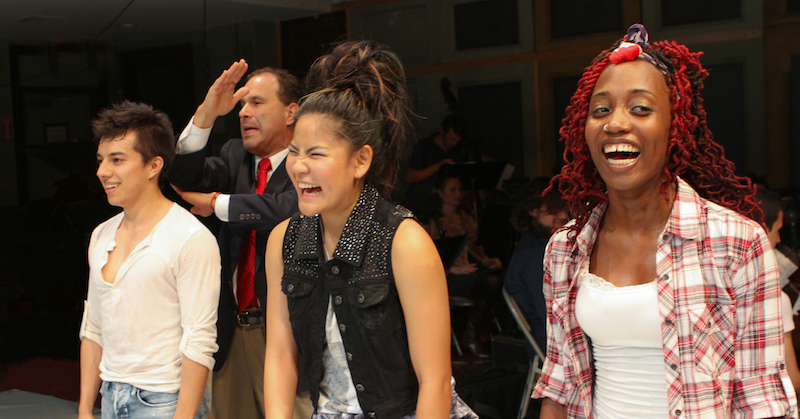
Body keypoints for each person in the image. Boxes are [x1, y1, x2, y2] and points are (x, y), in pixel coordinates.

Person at [533, 24, 798, 418]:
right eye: (600, 109)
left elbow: (763, 399)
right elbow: (561, 383)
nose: (615, 123)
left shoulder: (737, 242)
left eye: (640, 108)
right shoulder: (565, 249)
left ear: (677, 126)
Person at [263, 40, 477, 419]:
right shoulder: (285, 238)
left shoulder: (404, 240)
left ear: (361, 160)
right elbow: (280, 355)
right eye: (294, 152)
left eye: (316, 154)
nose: (298, 167)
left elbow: (436, 381)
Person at [168, 61, 312, 419]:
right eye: (242, 106)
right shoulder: (236, 155)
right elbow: (184, 176)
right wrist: (206, 114)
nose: (244, 112)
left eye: (257, 103)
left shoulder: (309, 160)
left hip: (286, 332)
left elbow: (286, 209)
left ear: (291, 111)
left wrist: (217, 204)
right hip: (232, 330)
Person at [79, 101, 221, 419]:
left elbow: (199, 339)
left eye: (117, 160)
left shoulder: (190, 237)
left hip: (165, 400)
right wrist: (85, 409)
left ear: (153, 165)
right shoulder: (101, 235)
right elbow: (94, 326)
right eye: (101, 160)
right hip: (110, 394)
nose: (103, 171)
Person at [426, 172, 502, 358]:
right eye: (452, 190)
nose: (458, 194)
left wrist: (485, 260)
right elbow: (430, 258)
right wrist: (453, 269)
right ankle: (471, 335)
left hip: (469, 271)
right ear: (441, 193)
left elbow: (474, 248)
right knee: (490, 283)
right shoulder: (432, 221)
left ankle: (487, 333)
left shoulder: (464, 217)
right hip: (448, 276)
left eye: (460, 190)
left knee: (501, 275)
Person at [504, 177, 569, 358]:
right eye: (553, 211)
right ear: (533, 211)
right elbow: (548, 315)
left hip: (550, 339)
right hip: (552, 347)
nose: (564, 215)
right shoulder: (535, 254)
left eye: (564, 208)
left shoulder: (536, 244)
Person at [756, 187, 800, 393]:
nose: (779, 239)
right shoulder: (774, 297)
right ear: (762, 229)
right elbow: (792, 380)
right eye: (777, 230)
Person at [404, 114, 473, 218]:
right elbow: (410, 177)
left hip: (446, 208)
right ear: (442, 131)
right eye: (451, 138)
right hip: (421, 205)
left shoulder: (458, 150)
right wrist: (439, 166)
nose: (453, 143)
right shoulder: (424, 147)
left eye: (457, 141)